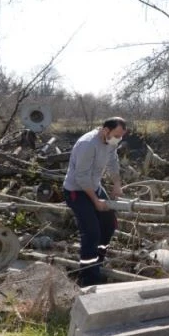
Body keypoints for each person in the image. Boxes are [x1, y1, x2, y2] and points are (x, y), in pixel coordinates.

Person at [62, 117, 126, 286]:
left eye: (121, 136)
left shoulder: (111, 141)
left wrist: (117, 184)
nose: (118, 139)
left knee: (109, 225)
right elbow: (81, 177)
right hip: (77, 191)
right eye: (116, 135)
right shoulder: (88, 144)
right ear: (106, 130)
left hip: (94, 187)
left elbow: (113, 162)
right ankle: (88, 278)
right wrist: (96, 201)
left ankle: (97, 262)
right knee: (91, 232)